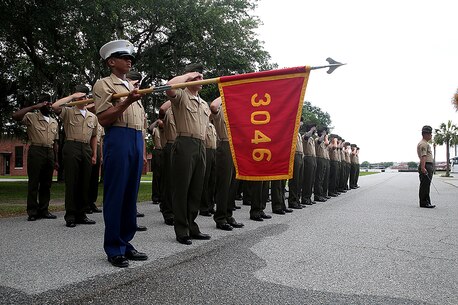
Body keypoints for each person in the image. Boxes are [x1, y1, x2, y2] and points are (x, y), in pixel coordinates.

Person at [93, 39, 148, 267]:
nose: (129, 60)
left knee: (130, 195)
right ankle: (113, 247)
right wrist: (127, 102)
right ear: (111, 61)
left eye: (130, 58)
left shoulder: (130, 87)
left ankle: (126, 242)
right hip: (118, 137)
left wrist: (143, 149)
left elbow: (142, 125)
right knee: (116, 194)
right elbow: (104, 118)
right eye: (124, 57)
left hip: (135, 139)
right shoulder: (104, 84)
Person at [163, 63, 211, 245]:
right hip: (184, 143)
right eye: (197, 77)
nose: (200, 80)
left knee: (196, 189)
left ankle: (192, 225)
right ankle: (181, 229)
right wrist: (188, 75)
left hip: (201, 145)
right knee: (182, 188)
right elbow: (168, 86)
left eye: (201, 78)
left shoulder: (204, 103)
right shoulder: (181, 96)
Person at [52, 85, 98, 228]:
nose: (83, 99)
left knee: (85, 182)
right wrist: (72, 97)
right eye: (80, 97)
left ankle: (81, 214)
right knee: (72, 182)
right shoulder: (69, 112)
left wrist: (94, 154)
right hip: (72, 145)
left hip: (86, 148)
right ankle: (70, 215)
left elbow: (94, 137)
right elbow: (54, 106)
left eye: (85, 97)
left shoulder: (92, 116)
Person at [12, 94, 59, 221]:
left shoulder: (54, 121)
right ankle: (32, 212)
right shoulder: (31, 117)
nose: (48, 105)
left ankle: (44, 210)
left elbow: (55, 143)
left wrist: (56, 160)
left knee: (46, 184)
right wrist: (33, 107)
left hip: (49, 152)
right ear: (40, 104)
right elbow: (15, 116)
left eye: (50, 103)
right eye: (45, 103)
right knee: (34, 183)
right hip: (36, 150)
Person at [209, 97, 244, 230]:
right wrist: (225, 93)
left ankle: (229, 214)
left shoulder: (235, 112)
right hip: (225, 145)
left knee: (233, 185)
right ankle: (220, 217)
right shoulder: (220, 110)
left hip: (237, 147)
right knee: (224, 185)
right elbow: (213, 107)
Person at [86, 103, 103, 214]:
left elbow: (101, 140)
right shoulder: (86, 116)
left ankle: (92, 202)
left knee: (94, 178)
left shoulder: (99, 120)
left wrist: (100, 155)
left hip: (96, 147)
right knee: (86, 177)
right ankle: (84, 203)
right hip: (86, 146)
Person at [417, 125, 435, 208]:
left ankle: (427, 201)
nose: (431, 135)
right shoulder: (423, 144)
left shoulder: (425, 143)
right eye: (430, 133)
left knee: (426, 184)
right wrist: (423, 167)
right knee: (425, 185)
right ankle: (424, 202)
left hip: (427, 164)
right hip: (426, 165)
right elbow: (424, 156)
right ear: (425, 134)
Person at [301, 123, 317, 205]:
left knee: (311, 180)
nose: (315, 130)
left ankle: (308, 197)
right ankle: (305, 198)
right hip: (307, 158)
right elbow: (306, 137)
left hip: (313, 158)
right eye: (314, 129)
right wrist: (311, 130)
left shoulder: (312, 139)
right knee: (307, 179)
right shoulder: (305, 136)